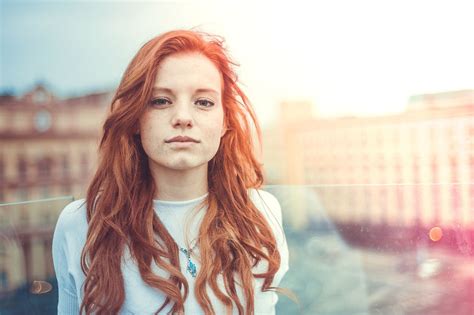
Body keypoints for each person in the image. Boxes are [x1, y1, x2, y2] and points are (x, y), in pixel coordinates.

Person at [52, 29, 289, 315]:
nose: (183, 118)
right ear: (136, 117)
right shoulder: (82, 225)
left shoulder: (261, 213)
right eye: (161, 101)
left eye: (204, 102)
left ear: (225, 121)